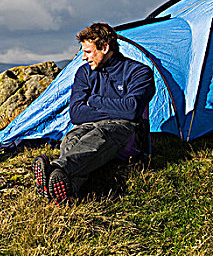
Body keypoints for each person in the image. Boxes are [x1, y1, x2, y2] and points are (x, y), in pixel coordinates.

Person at [32, 22, 155, 205]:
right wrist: (115, 109)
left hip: (127, 132)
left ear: (104, 48)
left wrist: (95, 101)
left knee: (101, 134)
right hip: (90, 126)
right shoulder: (84, 73)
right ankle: (67, 189)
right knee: (72, 139)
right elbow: (76, 114)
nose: (83, 58)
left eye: (88, 52)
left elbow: (131, 110)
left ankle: (56, 169)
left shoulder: (139, 72)